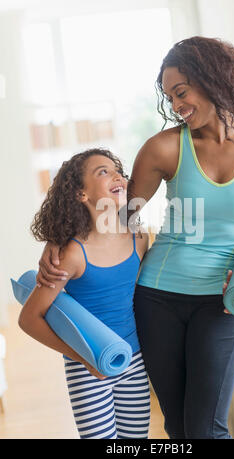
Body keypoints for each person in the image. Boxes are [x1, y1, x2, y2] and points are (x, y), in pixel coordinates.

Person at [37, 36, 234, 439]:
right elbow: (117, 219)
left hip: (222, 303)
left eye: (182, 92)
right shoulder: (164, 148)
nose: (176, 105)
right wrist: (61, 241)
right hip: (157, 299)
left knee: (206, 428)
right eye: (170, 96)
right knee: (177, 426)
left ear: (215, 80)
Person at [18, 148, 150, 440]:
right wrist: (81, 357)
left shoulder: (139, 238)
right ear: (81, 194)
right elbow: (29, 318)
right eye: (102, 172)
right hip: (86, 368)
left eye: (118, 170)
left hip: (134, 360)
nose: (117, 175)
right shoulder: (72, 254)